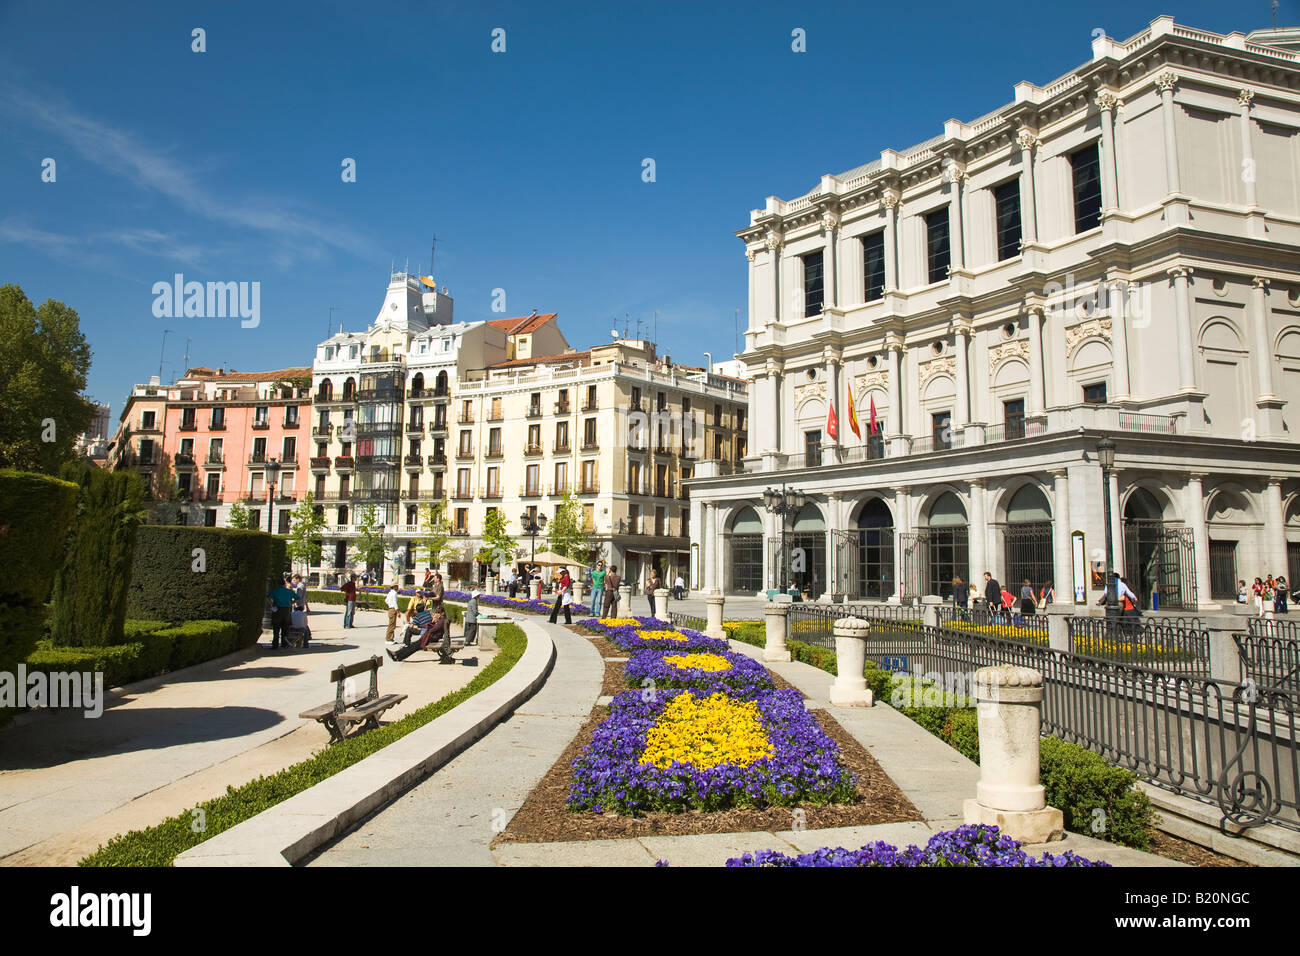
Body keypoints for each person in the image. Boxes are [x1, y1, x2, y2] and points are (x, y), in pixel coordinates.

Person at [265, 574, 296, 650]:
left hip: (277, 610)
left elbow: (267, 597)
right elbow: (297, 598)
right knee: (285, 628)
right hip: (286, 611)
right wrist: (291, 603)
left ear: (278, 584)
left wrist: (272, 604)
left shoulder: (275, 591)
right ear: (284, 583)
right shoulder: (289, 591)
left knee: (276, 628)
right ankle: (284, 643)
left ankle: (275, 644)